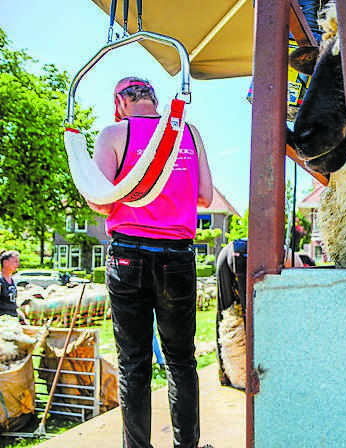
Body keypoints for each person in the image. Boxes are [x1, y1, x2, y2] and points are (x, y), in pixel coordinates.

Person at [89, 76, 213, 448]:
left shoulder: (113, 134)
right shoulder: (187, 132)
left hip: (128, 256)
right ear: (153, 100)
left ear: (120, 102)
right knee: (181, 361)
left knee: (134, 362)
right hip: (177, 255)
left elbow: (101, 200)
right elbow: (205, 196)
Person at [0, 250, 26, 322]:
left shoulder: (12, 280)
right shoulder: (1, 281)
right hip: (3, 320)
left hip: (12, 318)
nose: (18, 264)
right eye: (15, 262)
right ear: (5, 263)